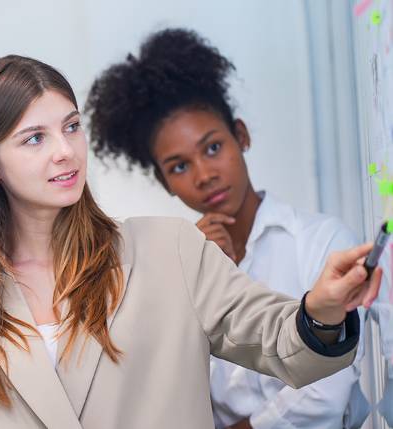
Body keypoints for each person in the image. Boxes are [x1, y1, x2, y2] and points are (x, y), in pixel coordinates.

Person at [0, 55, 380, 429]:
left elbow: (281, 344)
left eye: (72, 126)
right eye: (34, 138)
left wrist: (320, 310)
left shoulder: (169, 249)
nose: (65, 151)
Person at [86, 28, 367, 429]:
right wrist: (202, 272)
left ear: (241, 136)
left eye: (213, 147)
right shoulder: (178, 269)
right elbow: (170, 392)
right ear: (165, 182)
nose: (204, 175)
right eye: (179, 166)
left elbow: (326, 392)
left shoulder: (320, 242)